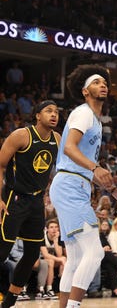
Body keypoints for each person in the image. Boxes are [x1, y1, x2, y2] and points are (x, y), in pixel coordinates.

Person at [48, 64, 117, 308]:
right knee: (95, 252)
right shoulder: (83, 112)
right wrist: (95, 168)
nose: (103, 85)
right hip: (69, 185)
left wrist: (114, 191)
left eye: (105, 83)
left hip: (74, 184)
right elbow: (69, 148)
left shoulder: (95, 120)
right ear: (85, 91)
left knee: (75, 258)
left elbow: (86, 164)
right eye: (97, 82)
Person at [0, 99, 60, 308]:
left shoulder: (58, 139)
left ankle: (9, 301)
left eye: (56, 112)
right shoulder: (21, 135)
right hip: (14, 198)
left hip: (37, 201)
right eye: (49, 111)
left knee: (33, 253)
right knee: (2, 250)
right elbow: (0, 165)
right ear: (37, 115)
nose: (54, 114)